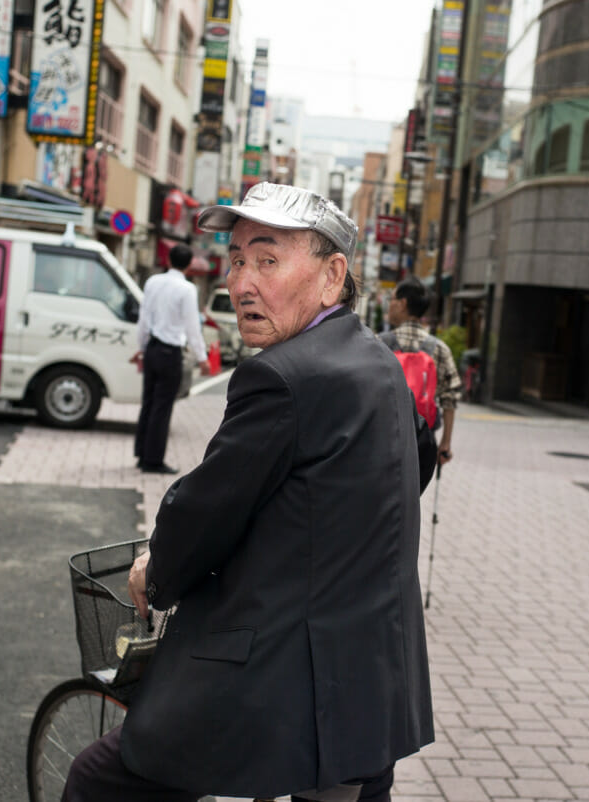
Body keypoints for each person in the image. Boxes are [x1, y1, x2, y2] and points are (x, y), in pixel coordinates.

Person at [63, 182, 433, 802]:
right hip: (374, 679)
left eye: (268, 259)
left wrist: (155, 574)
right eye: (236, 260)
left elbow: (206, 510)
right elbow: (412, 463)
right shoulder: (375, 361)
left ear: (331, 276)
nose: (241, 284)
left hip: (292, 682)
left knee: (99, 782)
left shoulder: (282, 377)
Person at [132, 243, 209, 474]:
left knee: (148, 402)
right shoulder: (187, 290)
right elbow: (192, 326)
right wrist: (202, 357)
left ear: (168, 261)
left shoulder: (152, 283)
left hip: (153, 348)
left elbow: (144, 319)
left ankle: (141, 453)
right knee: (162, 408)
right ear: (188, 266)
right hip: (170, 352)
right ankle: (153, 461)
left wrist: (142, 347)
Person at [381, 278, 461, 469]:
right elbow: (450, 399)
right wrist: (445, 443)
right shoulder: (439, 349)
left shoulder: (379, 344)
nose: (389, 306)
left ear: (402, 304)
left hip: (383, 436)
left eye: (391, 300)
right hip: (422, 440)